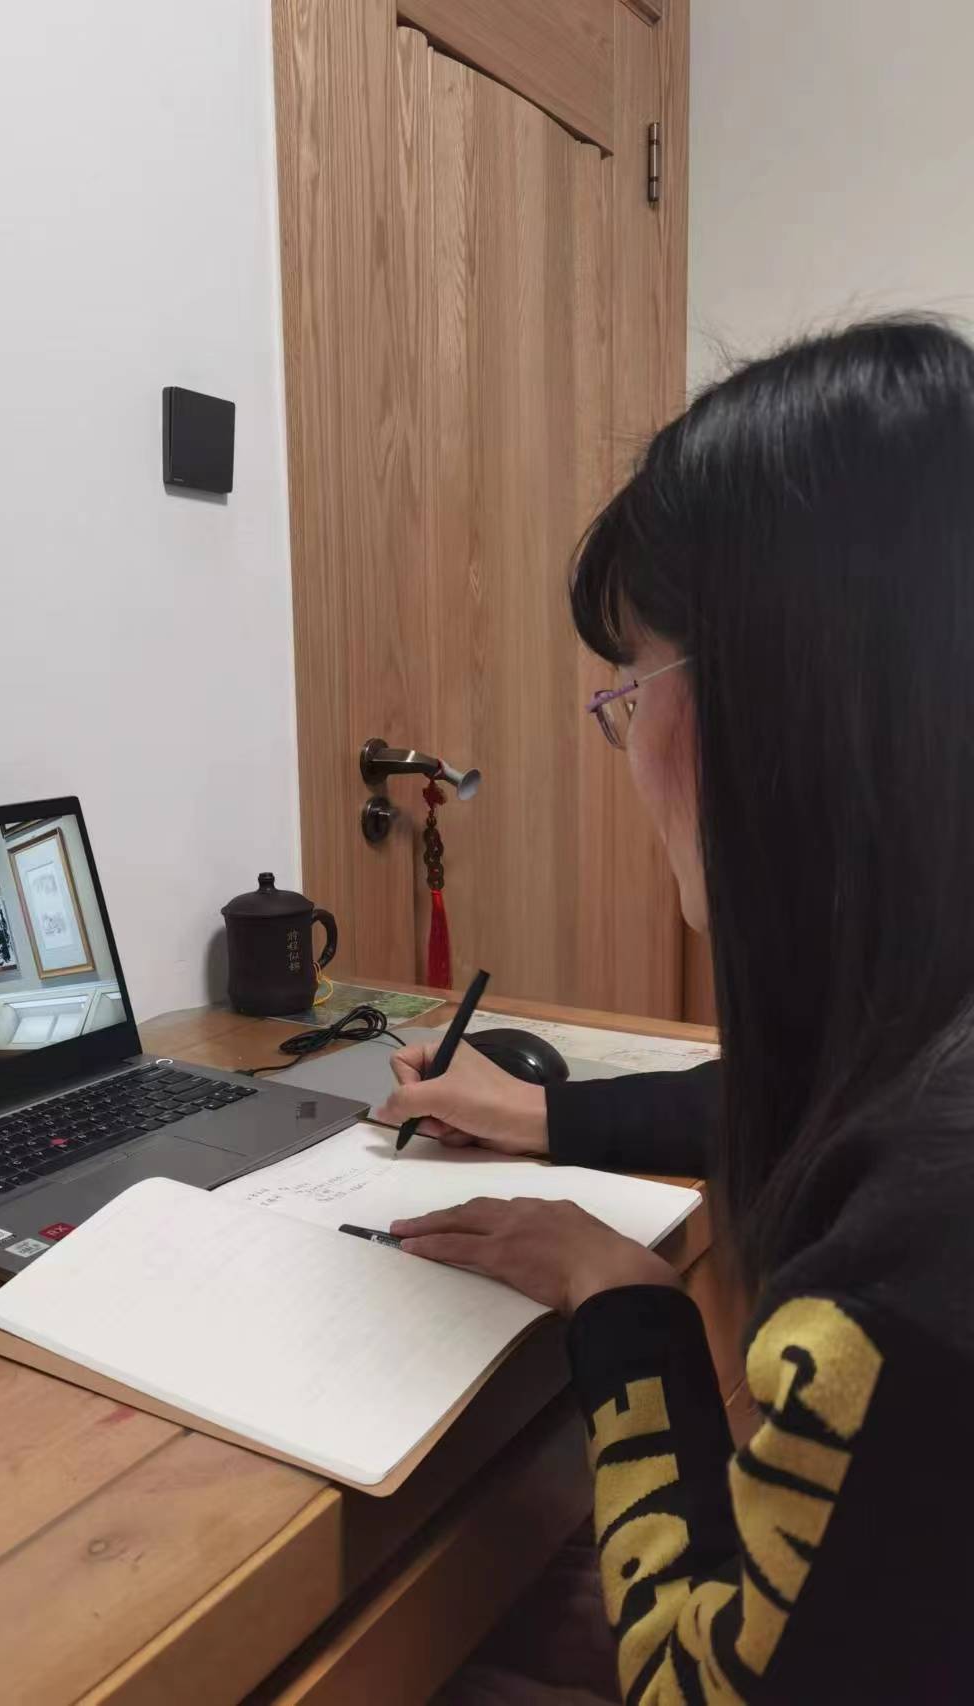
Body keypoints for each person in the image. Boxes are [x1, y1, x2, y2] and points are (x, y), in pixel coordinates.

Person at [380, 321, 974, 1703]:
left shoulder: (908, 1268)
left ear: (768, 703)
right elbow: (844, 1097)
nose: (623, 736)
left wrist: (626, 1305)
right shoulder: (929, 1057)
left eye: (629, 684)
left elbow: (696, 1684)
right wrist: (549, 1112)